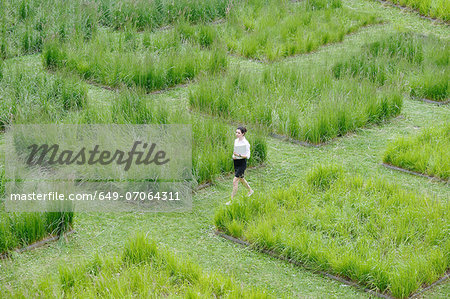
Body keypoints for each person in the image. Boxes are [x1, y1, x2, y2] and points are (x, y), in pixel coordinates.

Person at [226, 126, 253, 205]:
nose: (237, 134)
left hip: (242, 163)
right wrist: (234, 156)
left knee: (235, 181)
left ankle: (231, 200)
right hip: (236, 162)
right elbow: (235, 151)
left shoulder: (246, 143)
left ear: (243, 134)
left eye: (238, 133)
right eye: (236, 132)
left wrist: (239, 155)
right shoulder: (236, 141)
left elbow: (248, 156)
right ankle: (250, 190)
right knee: (241, 179)